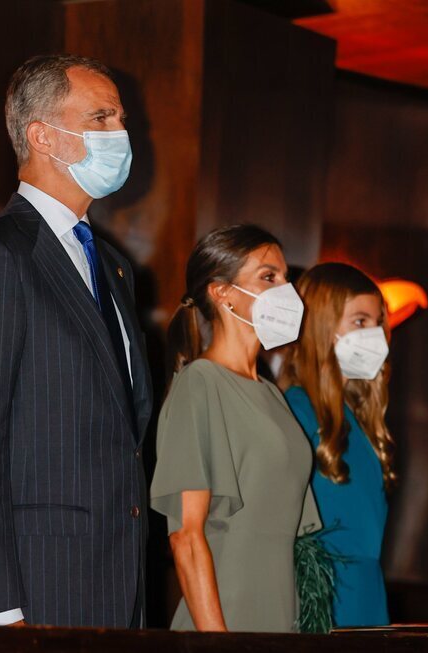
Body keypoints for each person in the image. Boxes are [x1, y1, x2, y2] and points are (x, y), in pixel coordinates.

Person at [0, 54, 153, 628]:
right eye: (101, 118)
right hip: (34, 586)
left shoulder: (115, 268)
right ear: (42, 135)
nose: (119, 134)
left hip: (114, 582)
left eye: (120, 119)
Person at [150, 224, 321, 633]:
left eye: (285, 278)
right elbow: (186, 538)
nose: (287, 290)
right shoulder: (200, 384)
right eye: (269, 277)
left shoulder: (271, 393)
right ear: (222, 292)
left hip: (280, 618)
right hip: (226, 621)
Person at [280, 262, 395, 627]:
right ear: (321, 326)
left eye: (378, 323)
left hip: (367, 595)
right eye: (360, 322)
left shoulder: (357, 418)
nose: (374, 334)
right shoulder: (293, 410)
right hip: (320, 598)